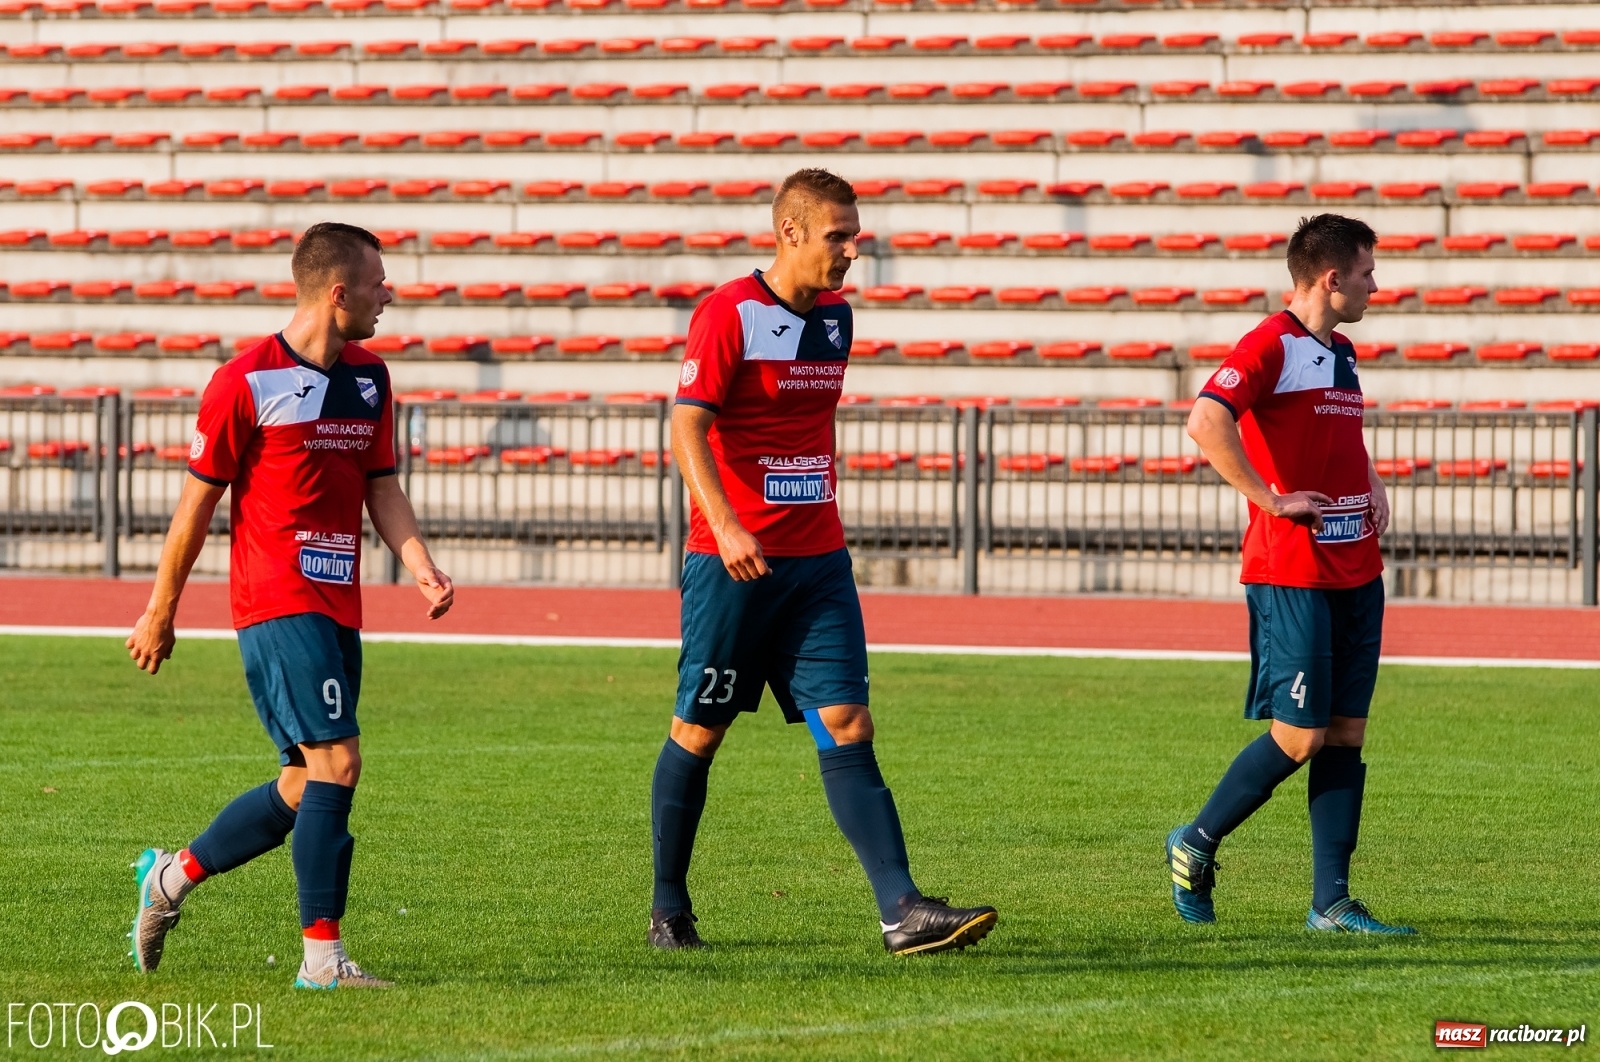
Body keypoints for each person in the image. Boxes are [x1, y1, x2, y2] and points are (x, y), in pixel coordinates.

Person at [649, 168, 998, 955]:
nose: (851, 249)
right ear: (791, 232)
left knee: (847, 722)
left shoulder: (837, 320)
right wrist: (728, 525)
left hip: (818, 565)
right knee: (699, 731)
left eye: (856, 235)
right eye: (838, 235)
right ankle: (668, 910)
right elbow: (686, 427)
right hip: (733, 565)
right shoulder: (727, 313)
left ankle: (900, 910)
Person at [125, 221, 456, 987]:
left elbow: (382, 486)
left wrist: (421, 565)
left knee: (306, 784)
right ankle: (321, 962)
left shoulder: (371, 378)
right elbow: (194, 509)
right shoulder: (245, 382)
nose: (389, 296)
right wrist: (159, 609)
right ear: (338, 293)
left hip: (340, 604)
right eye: (378, 284)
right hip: (276, 600)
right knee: (339, 762)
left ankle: (168, 880)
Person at [1167, 213, 1413, 934]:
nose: (1376, 284)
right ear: (1332, 279)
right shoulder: (1268, 345)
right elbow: (1206, 421)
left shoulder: (1341, 353)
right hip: (1294, 572)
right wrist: (1270, 500)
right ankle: (1195, 841)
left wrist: (1370, 479)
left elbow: (1341, 435)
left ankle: (1331, 903)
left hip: (1356, 568)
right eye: (1368, 272)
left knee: (1345, 733)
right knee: (1299, 736)